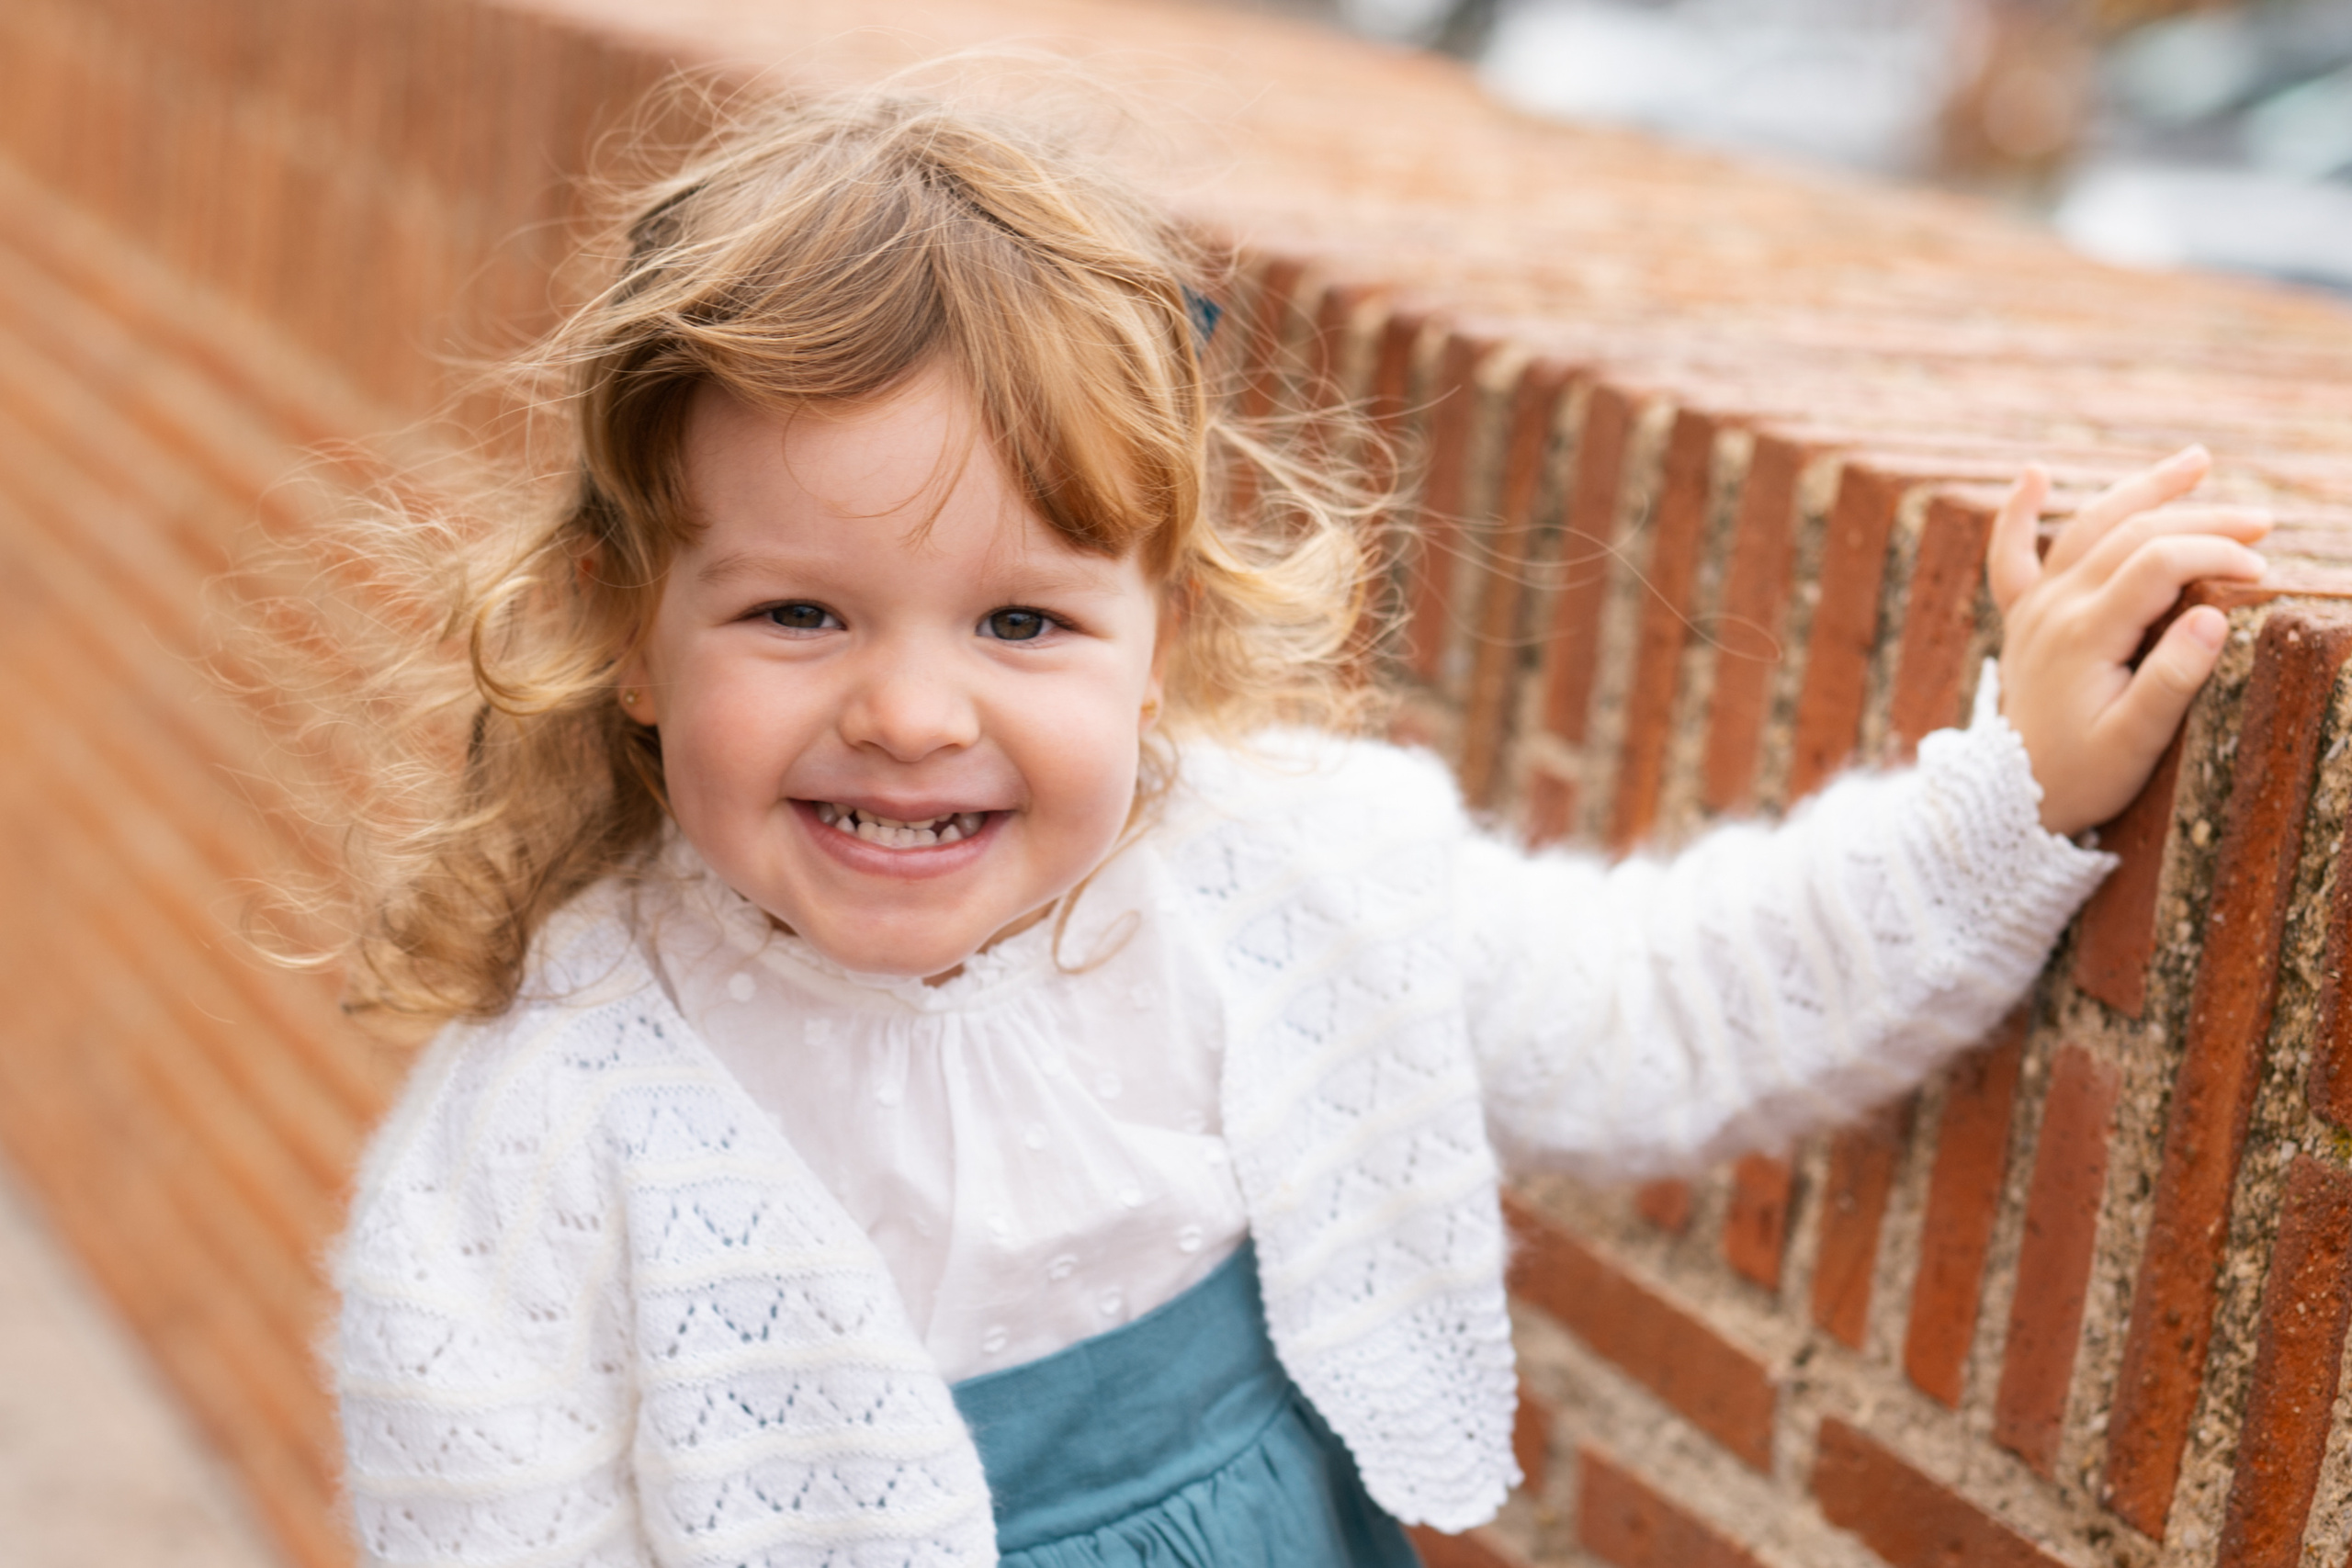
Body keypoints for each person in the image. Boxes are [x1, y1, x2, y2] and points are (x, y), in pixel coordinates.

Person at [321, 88, 2270, 1568]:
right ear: (629, 633)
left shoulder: (1286, 881)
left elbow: (1662, 1013)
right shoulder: (539, 1136)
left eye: (1022, 622)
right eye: (797, 613)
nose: (910, 714)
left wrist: (2007, 795)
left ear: (1158, 635)